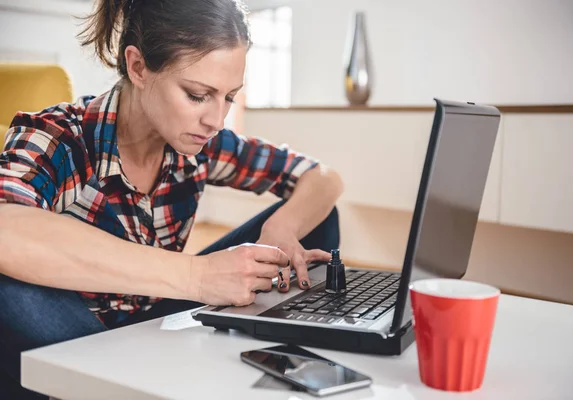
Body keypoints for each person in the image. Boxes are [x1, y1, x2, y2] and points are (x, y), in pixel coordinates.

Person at [0, 0, 343, 397]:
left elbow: (322, 178)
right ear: (139, 67)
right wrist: (198, 277)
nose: (216, 120)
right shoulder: (59, 135)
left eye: (229, 97)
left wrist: (281, 228)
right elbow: (6, 226)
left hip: (156, 324)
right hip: (75, 334)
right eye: (198, 95)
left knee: (316, 218)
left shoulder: (200, 143)